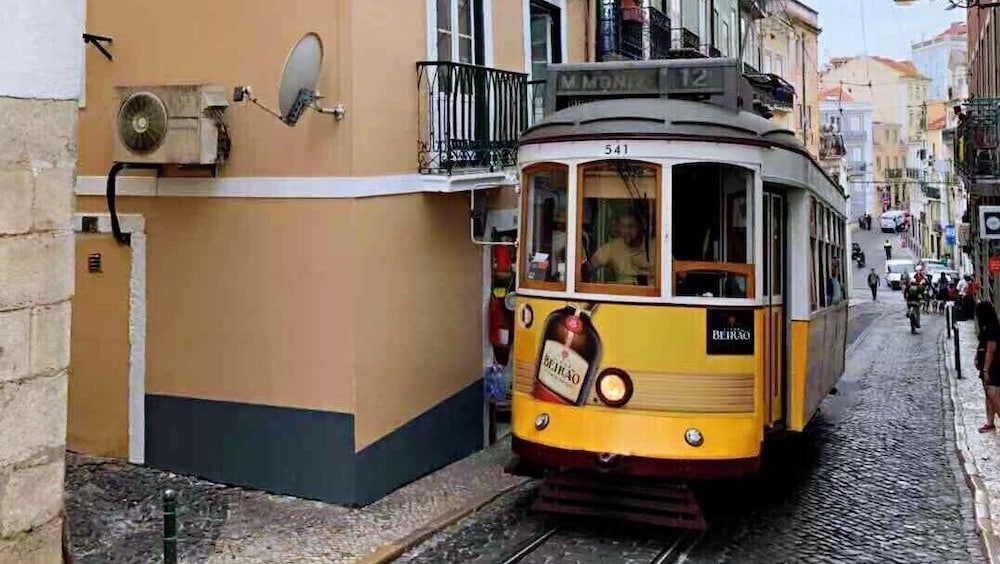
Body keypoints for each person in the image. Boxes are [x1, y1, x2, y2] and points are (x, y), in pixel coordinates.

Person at [584, 212, 653, 286]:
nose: (627, 231)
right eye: (623, 227)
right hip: (622, 291)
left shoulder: (655, 247)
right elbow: (588, 268)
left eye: (631, 226)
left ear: (640, 227)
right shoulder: (611, 248)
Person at [975, 301, 1000, 433]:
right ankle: (990, 423)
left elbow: (991, 350)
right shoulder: (988, 328)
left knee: (994, 396)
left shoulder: (992, 330)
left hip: (993, 367)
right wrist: (977, 357)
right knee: (989, 396)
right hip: (989, 366)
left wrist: (986, 369)